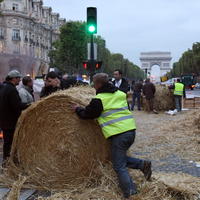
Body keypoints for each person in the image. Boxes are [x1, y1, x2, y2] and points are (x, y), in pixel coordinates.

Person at [73, 73, 152, 199]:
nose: (93, 85)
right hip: (130, 130)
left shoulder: (99, 99)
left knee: (119, 166)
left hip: (118, 134)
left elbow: (88, 114)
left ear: (98, 84)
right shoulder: (120, 94)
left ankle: (131, 193)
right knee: (117, 159)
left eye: (94, 83)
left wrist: (77, 109)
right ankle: (142, 165)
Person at [0, 70, 29, 162]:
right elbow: (17, 106)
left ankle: (6, 160)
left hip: (4, 120)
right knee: (11, 142)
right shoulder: (12, 90)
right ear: (13, 78)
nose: (19, 80)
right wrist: (29, 105)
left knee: (6, 142)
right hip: (11, 121)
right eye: (18, 78)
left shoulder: (3, 87)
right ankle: (9, 161)